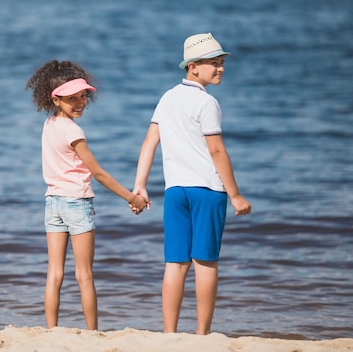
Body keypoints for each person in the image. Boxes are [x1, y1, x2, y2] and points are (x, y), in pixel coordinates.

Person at [132, 33, 251, 335]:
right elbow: (216, 150)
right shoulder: (207, 102)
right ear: (193, 67)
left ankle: (169, 334)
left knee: (175, 263)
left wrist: (140, 185)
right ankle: (202, 334)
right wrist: (235, 195)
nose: (220, 68)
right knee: (205, 262)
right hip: (207, 191)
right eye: (214, 63)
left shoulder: (167, 97)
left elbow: (149, 142)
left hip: (175, 191)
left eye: (222, 63)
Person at [26, 60, 149, 331]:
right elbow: (98, 173)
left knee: (54, 273)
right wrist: (132, 197)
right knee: (84, 275)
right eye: (72, 98)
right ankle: (92, 333)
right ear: (56, 99)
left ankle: (51, 331)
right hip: (77, 203)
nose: (80, 102)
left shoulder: (49, 124)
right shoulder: (73, 131)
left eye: (83, 95)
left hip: (52, 202)